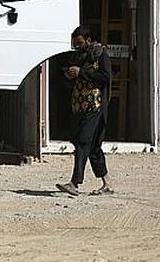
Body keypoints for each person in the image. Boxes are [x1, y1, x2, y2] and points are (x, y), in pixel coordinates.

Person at [56, 26, 114, 197]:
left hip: (95, 107)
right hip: (79, 107)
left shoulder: (100, 54)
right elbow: (65, 77)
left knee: (83, 141)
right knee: (93, 147)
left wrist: (82, 72)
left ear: (89, 41)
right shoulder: (77, 56)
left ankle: (75, 183)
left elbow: (105, 77)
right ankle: (107, 184)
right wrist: (68, 75)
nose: (78, 46)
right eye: (75, 44)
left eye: (80, 43)